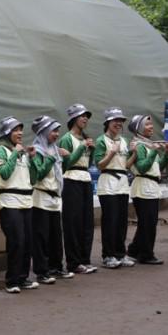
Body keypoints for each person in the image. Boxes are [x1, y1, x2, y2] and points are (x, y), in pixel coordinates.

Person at [0, 116, 39, 293]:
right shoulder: (0, 150)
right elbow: (4, 173)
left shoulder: (21, 152)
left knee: (27, 242)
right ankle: (11, 280)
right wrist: (14, 154)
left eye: (20, 130)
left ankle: (23, 278)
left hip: (26, 201)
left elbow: (33, 179)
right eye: (15, 130)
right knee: (16, 241)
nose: (20, 133)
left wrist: (32, 159)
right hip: (9, 201)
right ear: (6, 133)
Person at [30, 115, 73, 284]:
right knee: (41, 236)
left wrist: (66, 157)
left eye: (57, 131)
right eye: (53, 131)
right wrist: (50, 158)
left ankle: (56, 267)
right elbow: (39, 174)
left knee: (56, 235)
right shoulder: (37, 151)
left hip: (55, 198)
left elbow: (61, 171)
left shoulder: (54, 149)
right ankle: (42, 271)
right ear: (44, 132)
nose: (57, 134)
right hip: (41, 197)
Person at [126, 115, 168, 265]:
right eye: (147, 125)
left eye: (151, 124)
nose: (151, 127)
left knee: (147, 223)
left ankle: (133, 251)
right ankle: (146, 254)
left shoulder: (148, 145)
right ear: (139, 128)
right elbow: (142, 168)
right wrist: (153, 152)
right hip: (143, 186)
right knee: (148, 224)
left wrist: (167, 153)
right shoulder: (139, 145)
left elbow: (158, 167)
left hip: (151, 186)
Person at [93, 107, 136, 269]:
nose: (119, 123)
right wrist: (111, 153)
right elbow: (99, 165)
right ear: (107, 122)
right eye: (115, 120)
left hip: (122, 183)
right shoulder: (101, 140)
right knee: (110, 220)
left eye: (121, 121)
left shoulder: (124, 141)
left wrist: (134, 154)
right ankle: (108, 255)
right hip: (108, 183)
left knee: (122, 221)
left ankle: (120, 253)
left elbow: (126, 165)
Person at [59, 104, 97, 275]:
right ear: (73, 118)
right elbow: (67, 164)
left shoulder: (86, 137)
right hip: (71, 179)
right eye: (82, 116)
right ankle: (73, 262)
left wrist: (92, 150)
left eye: (86, 116)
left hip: (85, 179)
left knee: (87, 222)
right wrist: (82, 147)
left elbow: (88, 163)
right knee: (73, 222)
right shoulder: (67, 139)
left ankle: (85, 259)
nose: (85, 119)